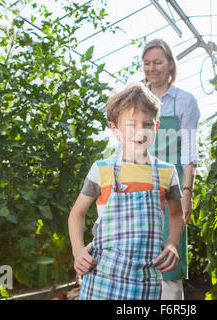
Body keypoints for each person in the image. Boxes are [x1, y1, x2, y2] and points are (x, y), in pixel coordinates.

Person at [68, 82, 185, 300]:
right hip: (102, 278)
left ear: (156, 127)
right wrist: (78, 251)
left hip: (145, 282)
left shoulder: (166, 173)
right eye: (131, 125)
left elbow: (177, 215)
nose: (140, 132)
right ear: (115, 129)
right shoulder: (101, 170)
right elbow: (77, 213)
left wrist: (172, 244)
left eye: (147, 124)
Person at [142, 39, 200, 300]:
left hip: (170, 188)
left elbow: (188, 152)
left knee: (168, 265)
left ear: (169, 65)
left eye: (157, 62)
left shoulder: (185, 102)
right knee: (138, 257)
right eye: (147, 63)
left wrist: (187, 192)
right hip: (139, 184)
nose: (152, 68)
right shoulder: (137, 98)